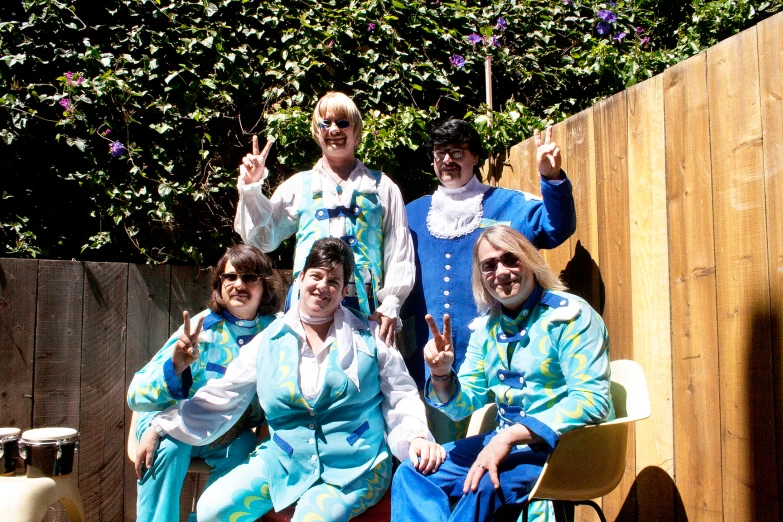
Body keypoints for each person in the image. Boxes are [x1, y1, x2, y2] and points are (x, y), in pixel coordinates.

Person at [138, 237, 443, 522]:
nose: (323, 286)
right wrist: (161, 425)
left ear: (341, 290)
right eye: (316, 276)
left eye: (333, 281)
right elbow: (222, 395)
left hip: (355, 468)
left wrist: (415, 436)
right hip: (283, 462)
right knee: (211, 508)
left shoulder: (371, 336)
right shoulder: (267, 340)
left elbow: (400, 394)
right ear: (300, 278)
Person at [392, 225, 613, 522]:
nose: (502, 271)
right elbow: (463, 406)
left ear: (530, 261)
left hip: (564, 448)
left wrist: (509, 437)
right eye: (489, 265)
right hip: (503, 444)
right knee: (413, 471)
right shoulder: (487, 327)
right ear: (481, 276)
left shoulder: (570, 317)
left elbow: (592, 401)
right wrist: (442, 374)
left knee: (484, 485)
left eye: (511, 259)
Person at [403, 119, 576, 442]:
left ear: (475, 158)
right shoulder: (411, 213)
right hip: (434, 360)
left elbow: (557, 228)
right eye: (440, 153)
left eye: (456, 152)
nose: (447, 161)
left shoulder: (508, 204)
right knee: (443, 454)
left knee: (498, 447)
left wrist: (551, 178)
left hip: (502, 353)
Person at [234, 91, 414, 346]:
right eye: (325, 123)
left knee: (368, 380)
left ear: (356, 130)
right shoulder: (299, 185)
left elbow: (399, 251)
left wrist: (392, 302)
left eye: (342, 123)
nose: (334, 130)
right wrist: (252, 189)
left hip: (368, 309)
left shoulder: (382, 187)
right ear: (316, 131)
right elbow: (263, 239)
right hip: (308, 306)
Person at [128, 244, 283, 522]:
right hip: (166, 423)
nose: (238, 284)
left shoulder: (278, 332)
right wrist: (175, 366)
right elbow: (136, 396)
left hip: (229, 430)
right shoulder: (202, 328)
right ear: (219, 284)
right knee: (169, 447)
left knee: (246, 449)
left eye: (250, 278)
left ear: (265, 287)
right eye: (230, 277)